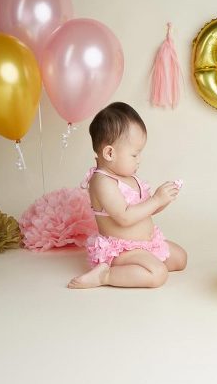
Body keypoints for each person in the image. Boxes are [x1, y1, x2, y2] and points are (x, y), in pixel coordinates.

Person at [67, 102, 186, 289]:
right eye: (134, 155)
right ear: (109, 153)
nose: (139, 160)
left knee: (180, 258)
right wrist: (156, 200)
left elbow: (145, 210)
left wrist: (163, 200)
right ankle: (106, 275)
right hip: (122, 250)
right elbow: (124, 217)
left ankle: (139, 267)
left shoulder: (130, 177)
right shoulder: (102, 181)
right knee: (158, 274)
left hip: (147, 244)